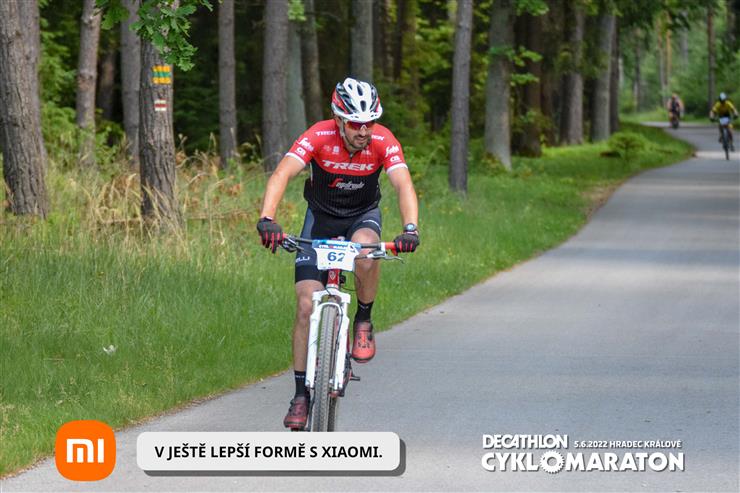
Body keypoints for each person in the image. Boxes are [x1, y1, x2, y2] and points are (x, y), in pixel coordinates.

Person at [256, 77, 420, 429]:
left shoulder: (383, 140)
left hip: (361, 217)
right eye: (355, 124)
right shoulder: (318, 135)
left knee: (366, 252)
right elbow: (282, 174)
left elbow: (403, 183)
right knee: (305, 305)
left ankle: (364, 319)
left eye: (369, 123)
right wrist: (267, 218)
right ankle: (300, 395)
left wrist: (410, 228)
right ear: (339, 119)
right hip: (321, 221)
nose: (364, 131)